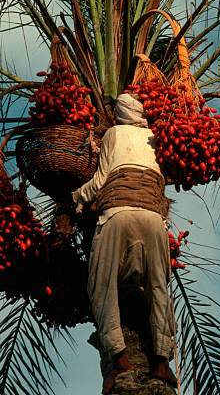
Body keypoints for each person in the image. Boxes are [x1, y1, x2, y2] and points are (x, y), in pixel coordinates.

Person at [72, 93, 178, 394]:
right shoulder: (157, 138)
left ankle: (118, 358)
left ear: (118, 114)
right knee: (158, 287)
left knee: (101, 286)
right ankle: (161, 361)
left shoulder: (113, 134)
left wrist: (75, 199)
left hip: (117, 215)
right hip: (154, 220)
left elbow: (101, 180)